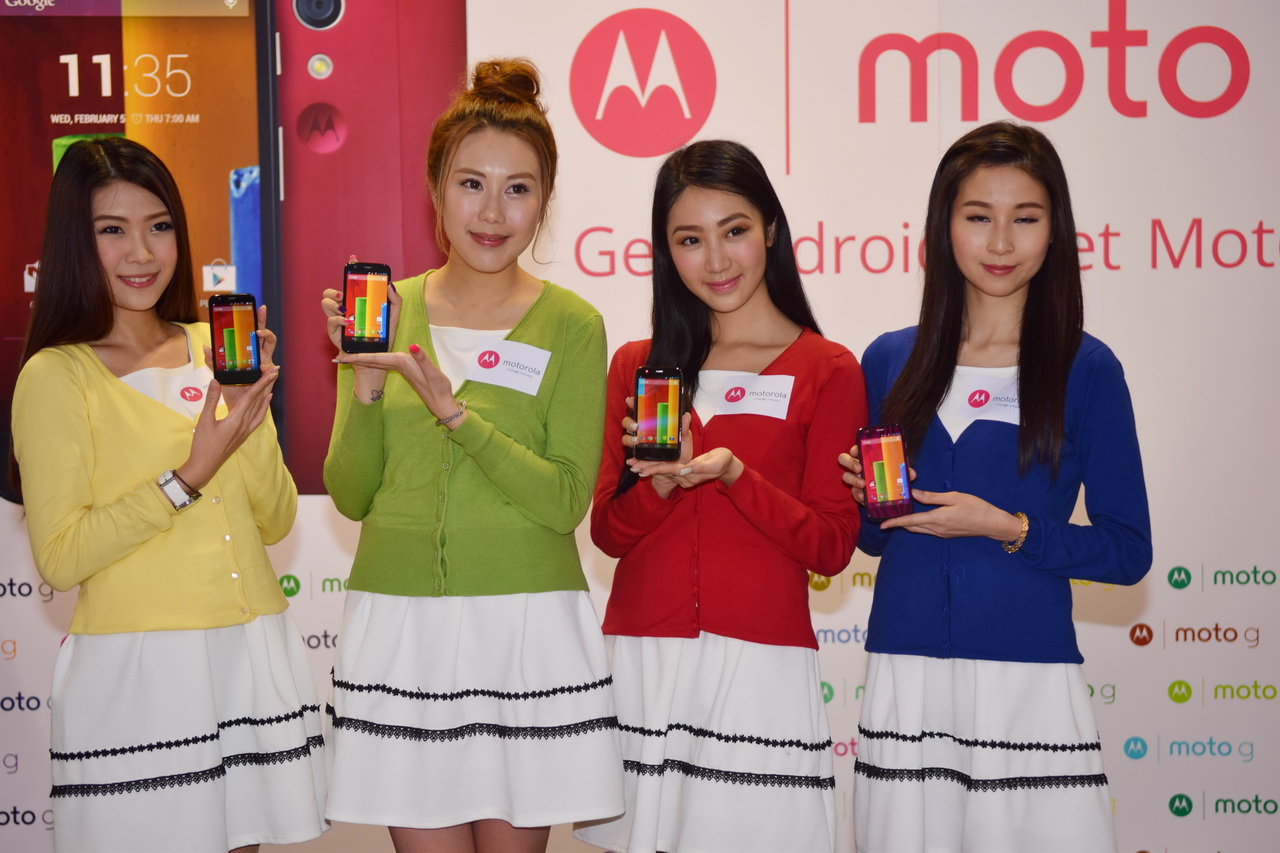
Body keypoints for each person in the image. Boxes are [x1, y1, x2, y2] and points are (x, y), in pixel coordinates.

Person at [320, 58, 623, 853]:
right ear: (436, 189)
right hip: (403, 626)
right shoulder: (388, 311)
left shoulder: (573, 324)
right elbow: (350, 494)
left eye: (518, 188)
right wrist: (366, 384)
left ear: (544, 201)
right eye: (470, 184)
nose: (492, 211)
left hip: (523, 628)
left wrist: (455, 413)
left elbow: (565, 500)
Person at [839, 121, 1152, 852]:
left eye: (1026, 218)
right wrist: (865, 500)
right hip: (907, 678)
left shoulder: (1086, 369)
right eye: (979, 217)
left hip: (1027, 681)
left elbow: (1127, 550)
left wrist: (1006, 526)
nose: (1002, 243)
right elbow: (874, 542)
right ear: (943, 226)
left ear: (1056, 230)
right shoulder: (889, 360)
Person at [10, 137, 325, 853]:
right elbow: (60, 555)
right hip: (139, 672)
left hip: (248, 648)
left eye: (159, 226)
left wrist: (250, 415)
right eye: (112, 230)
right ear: (74, 241)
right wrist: (187, 477)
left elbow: (276, 519)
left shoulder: (216, 348)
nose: (141, 253)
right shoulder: (56, 376)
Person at [575, 139, 866, 853]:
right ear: (665, 251)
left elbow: (832, 545)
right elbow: (608, 531)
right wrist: (661, 487)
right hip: (645, 657)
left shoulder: (828, 368)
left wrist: (737, 477)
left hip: (761, 665)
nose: (715, 260)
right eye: (689, 239)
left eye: (734, 230)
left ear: (771, 228)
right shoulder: (638, 365)